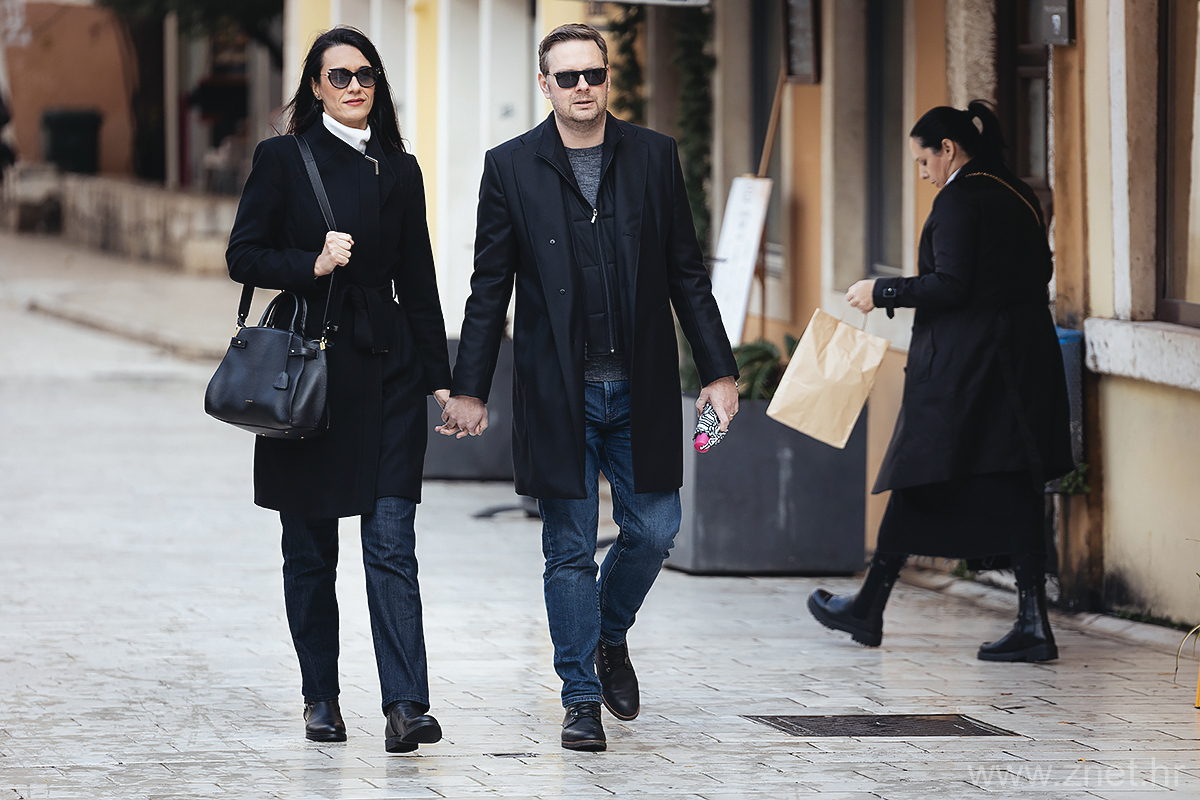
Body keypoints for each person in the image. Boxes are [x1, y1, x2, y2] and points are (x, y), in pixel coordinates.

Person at [438, 23, 739, 751]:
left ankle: (609, 634)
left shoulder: (654, 156)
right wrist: (469, 388)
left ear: (609, 79)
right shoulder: (510, 166)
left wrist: (720, 372)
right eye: (567, 76)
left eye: (593, 75)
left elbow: (686, 273)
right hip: (557, 395)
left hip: (640, 390)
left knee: (655, 530)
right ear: (545, 84)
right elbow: (489, 288)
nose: (582, 87)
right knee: (568, 549)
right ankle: (579, 698)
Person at [225, 26, 452, 752]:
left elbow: (419, 281)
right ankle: (319, 696)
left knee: (391, 541)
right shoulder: (283, 158)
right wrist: (312, 263)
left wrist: (444, 383)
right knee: (309, 547)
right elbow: (243, 256)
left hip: (387, 372)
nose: (355, 86)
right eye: (340, 75)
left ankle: (406, 705)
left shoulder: (400, 169)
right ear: (316, 87)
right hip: (308, 374)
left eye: (366, 75)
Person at [808, 101, 1074, 663]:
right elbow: (1041, 272)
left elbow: (950, 284)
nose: (922, 172)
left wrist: (881, 291)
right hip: (1023, 364)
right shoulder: (1019, 193)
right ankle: (1031, 623)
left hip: (968, 369)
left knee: (921, 472)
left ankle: (870, 607)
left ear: (947, 149)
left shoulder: (959, 199)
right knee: (1013, 481)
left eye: (923, 160)